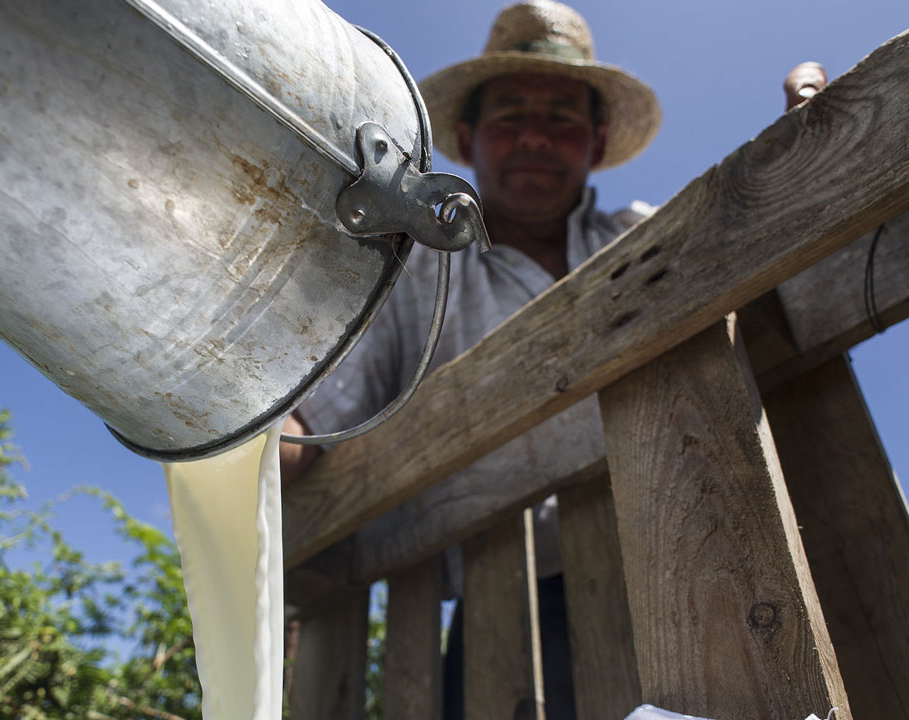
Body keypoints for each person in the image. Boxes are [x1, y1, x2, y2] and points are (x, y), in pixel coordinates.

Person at [280, 2, 661, 718]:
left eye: (563, 120)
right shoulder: (420, 269)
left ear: (598, 141)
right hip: (507, 606)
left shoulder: (641, 236)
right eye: (510, 116)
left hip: (685, 551)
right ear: (465, 136)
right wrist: (250, 439)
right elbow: (321, 417)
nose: (534, 139)